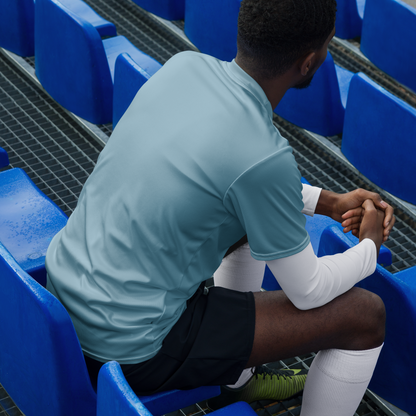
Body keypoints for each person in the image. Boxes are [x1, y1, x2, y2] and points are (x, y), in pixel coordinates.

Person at [45, 0, 395, 414]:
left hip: (66, 303)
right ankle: (235, 378)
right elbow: (308, 290)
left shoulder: (183, 68)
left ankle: (238, 383)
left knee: (246, 223)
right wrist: (369, 248)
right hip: (132, 346)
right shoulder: (265, 155)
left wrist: (327, 202)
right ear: (309, 62)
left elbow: (231, 180)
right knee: (364, 316)